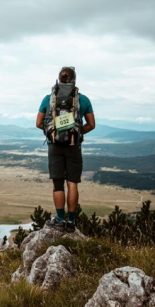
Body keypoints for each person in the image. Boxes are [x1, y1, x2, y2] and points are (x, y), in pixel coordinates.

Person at [35, 67, 95, 232]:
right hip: (73, 146)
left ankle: (60, 219)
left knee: (58, 184)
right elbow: (91, 124)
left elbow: (39, 123)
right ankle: (71, 221)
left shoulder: (48, 99)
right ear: (74, 79)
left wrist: (53, 133)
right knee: (73, 183)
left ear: (59, 80)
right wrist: (77, 132)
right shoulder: (83, 100)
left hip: (54, 146)